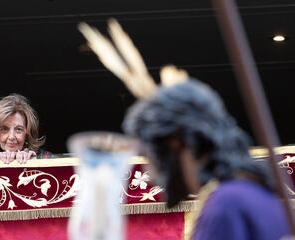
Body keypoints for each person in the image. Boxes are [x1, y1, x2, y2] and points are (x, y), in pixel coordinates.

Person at [79, 19, 290, 240]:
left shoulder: (226, 204)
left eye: (149, 155)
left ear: (175, 143)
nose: (149, 172)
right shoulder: (256, 195)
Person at [0, 93, 51, 164]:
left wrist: (34, 162)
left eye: (18, 129)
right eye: (4, 129)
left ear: (27, 133)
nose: (11, 137)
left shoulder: (47, 159)